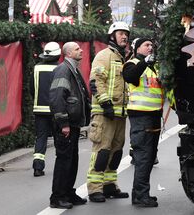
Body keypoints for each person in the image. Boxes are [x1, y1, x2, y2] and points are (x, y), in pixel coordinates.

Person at [86, 22, 130, 203]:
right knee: (102, 151)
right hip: (105, 113)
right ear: (112, 36)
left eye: (126, 34)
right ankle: (95, 188)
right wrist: (106, 105)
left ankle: (110, 185)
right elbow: (96, 81)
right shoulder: (104, 56)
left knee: (116, 151)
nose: (124, 37)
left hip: (120, 113)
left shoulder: (123, 58)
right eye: (120, 33)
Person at [123, 37, 165, 207]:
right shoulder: (131, 63)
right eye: (146, 45)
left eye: (151, 45)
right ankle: (141, 196)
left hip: (154, 116)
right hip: (141, 117)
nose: (150, 47)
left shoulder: (153, 68)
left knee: (149, 158)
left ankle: (140, 194)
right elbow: (131, 76)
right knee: (143, 157)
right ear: (137, 48)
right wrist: (145, 62)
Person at [48, 42, 91, 209]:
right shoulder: (63, 70)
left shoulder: (73, 69)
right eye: (77, 49)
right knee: (64, 160)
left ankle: (68, 193)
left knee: (72, 160)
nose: (80, 50)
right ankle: (57, 197)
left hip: (73, 124)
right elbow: (57, 98)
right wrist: (63, 123)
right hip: (66, 125)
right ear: (68, 54)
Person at [32, 42, 61, 177]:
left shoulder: (36, 68)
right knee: (58, 138)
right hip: (56, 110)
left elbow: (32, 89)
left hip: (39, 109)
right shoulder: (60, 69)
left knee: (41, 137)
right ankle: (60, 166)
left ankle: (38, 167)